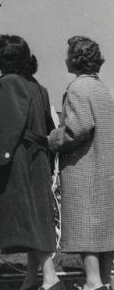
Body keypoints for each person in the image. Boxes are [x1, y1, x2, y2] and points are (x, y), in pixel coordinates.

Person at [0, 35, 61, 290]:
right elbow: (49, 127)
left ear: (4, 59)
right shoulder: (38, 88)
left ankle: (50, 277)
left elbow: (7, 126)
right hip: (38, 158)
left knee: (28, 218)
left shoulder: (7, 84)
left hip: (18, 159)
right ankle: (32, 277)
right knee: (36, 215)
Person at [48, 36, 114, 290]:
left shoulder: (77, 88)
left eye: (68, 55)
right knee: (105, 230)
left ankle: (93, 283)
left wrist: (53, 138)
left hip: (84, 168)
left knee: (85, 226)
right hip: (105, 167)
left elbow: (77, 129)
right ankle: (105, 281)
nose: (65, 58)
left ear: (77, 60)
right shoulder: (102, 89)